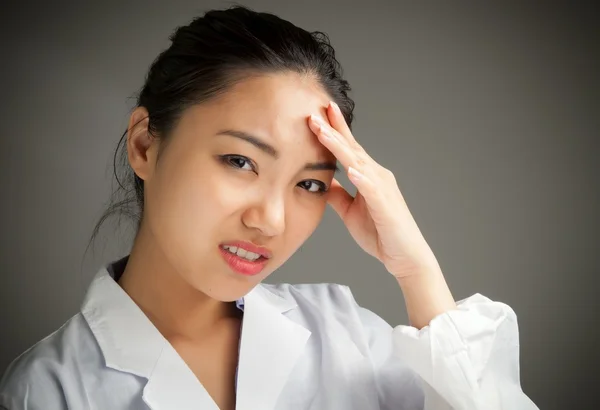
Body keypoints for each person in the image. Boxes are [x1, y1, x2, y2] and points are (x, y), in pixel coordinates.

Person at [0, 6, 539, 410]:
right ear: (145, 144)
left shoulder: (347, 336)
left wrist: (416, 270)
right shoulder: (49, 389)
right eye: (239, 161)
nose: (270, 221)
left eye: (308, 184)